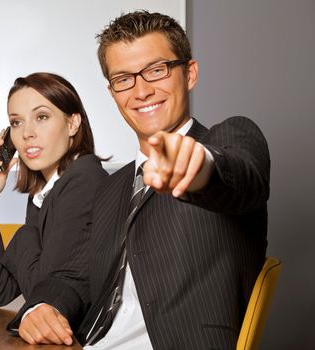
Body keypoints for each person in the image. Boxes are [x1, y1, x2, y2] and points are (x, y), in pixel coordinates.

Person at [17, 11, 270, 349]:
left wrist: (200, 169)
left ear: (190, 74)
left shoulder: (229, 139)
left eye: (156, 70)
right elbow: (78, 273)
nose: (141, 91)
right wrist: (41, 306)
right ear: (112, 91)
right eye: (124, 79)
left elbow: (240, 177)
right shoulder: (111, 187)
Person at [0, 72, 108, 334]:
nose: (27, 133)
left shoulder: (84, 181)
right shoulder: (46, 190)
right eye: (16, 123)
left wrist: (25, 236)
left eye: (41, 117)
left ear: (73, 123)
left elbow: (46, 292)